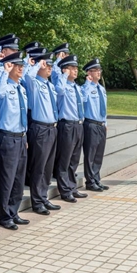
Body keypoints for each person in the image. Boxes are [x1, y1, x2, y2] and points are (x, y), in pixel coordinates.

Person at [0, 52, 30, 230]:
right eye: (17, 65)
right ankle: (4, 215)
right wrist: (4, 72)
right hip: (7, 137)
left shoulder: (21, 88)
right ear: (9, 67)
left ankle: (14, 212)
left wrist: (26, 136)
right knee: (7, 179)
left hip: (21, 137)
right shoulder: (4, 86)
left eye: (22, 65)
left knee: (18, 179)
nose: (21, 68)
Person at [23, 51, 62, 215]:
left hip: (52, 128)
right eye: (47, 65)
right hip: (40, 128)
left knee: (47, 166)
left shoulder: (50, 85)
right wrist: (38, 63)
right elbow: (28, 76)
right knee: (39, 167)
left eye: (51, 65)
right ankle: (37, 201)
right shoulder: (34, 84)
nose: (50, 68)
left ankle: (44, 197)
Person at [52, 54, 88, 202]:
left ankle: (72, 187)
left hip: (78, 125)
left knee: (74, 159)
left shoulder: (76, 87)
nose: (76, 70)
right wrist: (63, 75)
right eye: (72, 68)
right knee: (64, 160)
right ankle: (65, 191)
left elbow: (84, 100)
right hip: (66, 125)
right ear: (65, 70)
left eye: (76, 68)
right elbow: (59, 90)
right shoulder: (62, 85)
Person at [82, 58, 109, 192]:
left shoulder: (101, 89)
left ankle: (97, 179)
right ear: (89, 73)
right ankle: (90, 181)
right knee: (90, 154)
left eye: (99, 70)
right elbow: (83, 100)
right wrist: (87, 84)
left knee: (99, 154)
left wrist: (106, 123)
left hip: (101, 124)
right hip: (91, 124)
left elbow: (104, 107)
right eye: (95, 70)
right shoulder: (85, 88)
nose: (98, 73)